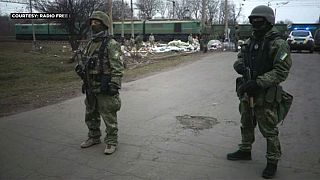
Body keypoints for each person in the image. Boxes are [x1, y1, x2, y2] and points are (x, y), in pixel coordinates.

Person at [227, 5, 293, 179]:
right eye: (253, 20)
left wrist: (258, 83)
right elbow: (239, 59)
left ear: (268, 21)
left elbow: (281, 71)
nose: (255, 23)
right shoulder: (250, 42)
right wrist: (239, 66)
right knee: (246, 121)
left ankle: (272, 161)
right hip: (247, 90)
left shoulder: (278, 44)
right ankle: (245, 149)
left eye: (259, 20)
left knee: (269, 129)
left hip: (265, 94)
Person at [75, 11, 124, 155]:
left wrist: (114, 84)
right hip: (91, 84)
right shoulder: (90, 43)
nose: (92, 25)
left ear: (103, 25)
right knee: (90, 113)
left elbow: (117, 67)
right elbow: (87, 62)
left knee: (108, 115)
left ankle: (111, 142)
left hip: (105, 85)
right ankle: (94, 137)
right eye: (91, 22)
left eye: (96, 22)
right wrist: (82, 72)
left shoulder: (111, 44)